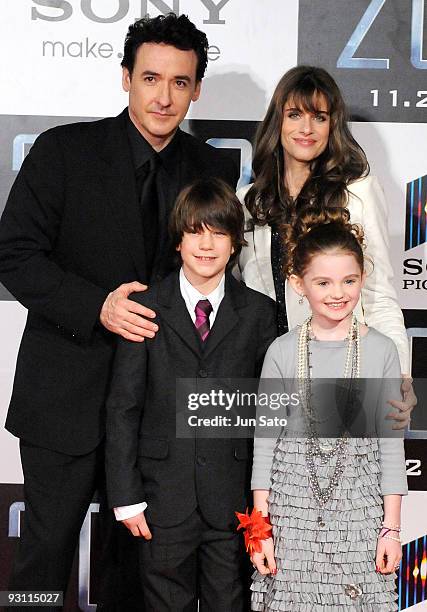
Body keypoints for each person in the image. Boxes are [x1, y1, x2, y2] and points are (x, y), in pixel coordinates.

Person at [0, 13, 237, 608]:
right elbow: (14, 254)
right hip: (64, 395)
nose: (163, 96)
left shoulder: (212, 170)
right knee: (44, 557)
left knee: (138, 568)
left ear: (197, 89)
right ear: (126, 77)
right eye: (151, 77)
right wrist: (96, 307)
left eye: (179, 82)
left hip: (158, 409)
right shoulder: (63, 152)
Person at [105, 177, 277, 611]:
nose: (206, 244)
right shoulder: (146, 305)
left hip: (233, 502)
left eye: (218, 232)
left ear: (235, 243)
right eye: (195, 231)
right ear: (178, 240)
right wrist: (126, 497)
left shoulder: (259, 313)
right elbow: (124, 407)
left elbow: (269, 415)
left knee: (230, 602)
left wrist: (264, 503)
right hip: (163, 499)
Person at [248, 207, 408, 610]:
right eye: (323, 282)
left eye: (349, 280)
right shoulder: (282, 352)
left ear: (362, 280)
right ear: (299, 284)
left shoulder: (381, 351)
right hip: (290, 522)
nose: (338, 293)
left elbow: (391, 447)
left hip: (360, 518)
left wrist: (390, 529)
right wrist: (259, 531)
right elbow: (265, 445)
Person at [236, 65, 415, 425]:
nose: (306, 128)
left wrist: (401, 377)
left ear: (332, 125)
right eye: (294, 114)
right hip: (266, 376)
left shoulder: (357, 193)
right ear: (277, 122)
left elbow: (379, 294)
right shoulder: (248, 202)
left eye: (319, 117)